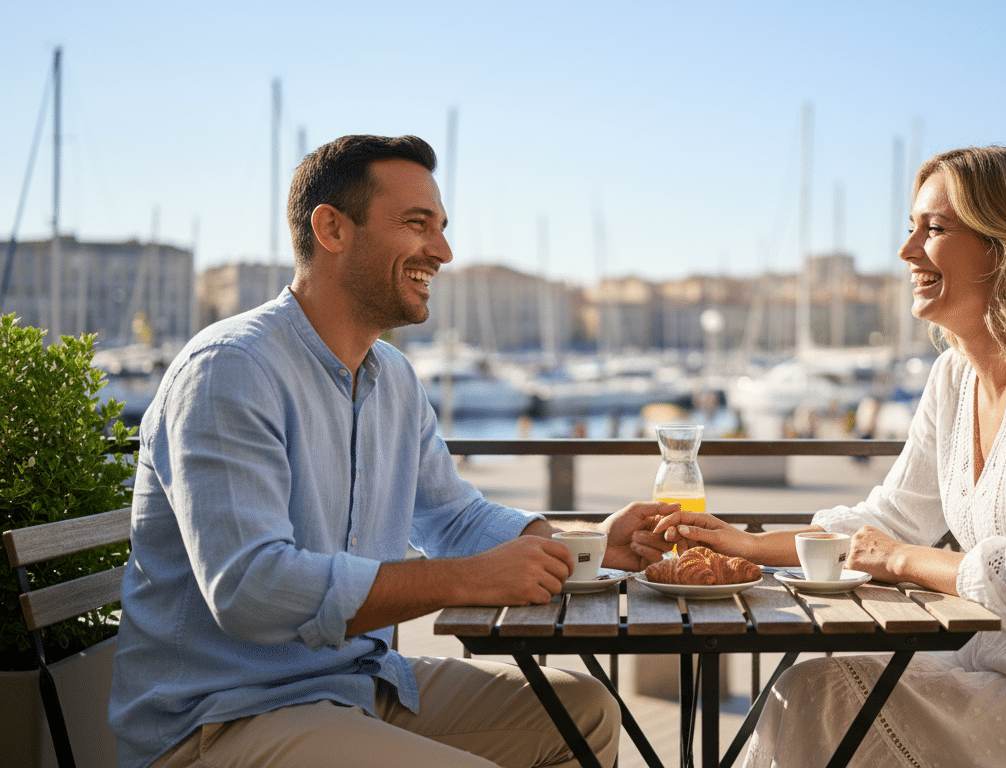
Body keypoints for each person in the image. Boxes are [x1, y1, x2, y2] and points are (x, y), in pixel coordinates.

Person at [109, 134, 676, 768]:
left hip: (354, 684)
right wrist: (465, 579)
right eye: (416, 224)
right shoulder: (230, 369)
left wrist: (585, 547)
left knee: (584, 711)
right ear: (332, 229)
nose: (443, 251)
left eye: (442, 228)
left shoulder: (395, 379)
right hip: (220, 719)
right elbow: (250, 588)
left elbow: (453, 519)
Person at [636, 147, 1006, 767]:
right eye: (912, 228)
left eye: (933, 229)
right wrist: (745, 544)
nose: (906, 252)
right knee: (811, 693)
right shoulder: (955, 375)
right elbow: (890, 519)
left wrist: (902, 560)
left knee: (819, 698)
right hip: (997, 665)